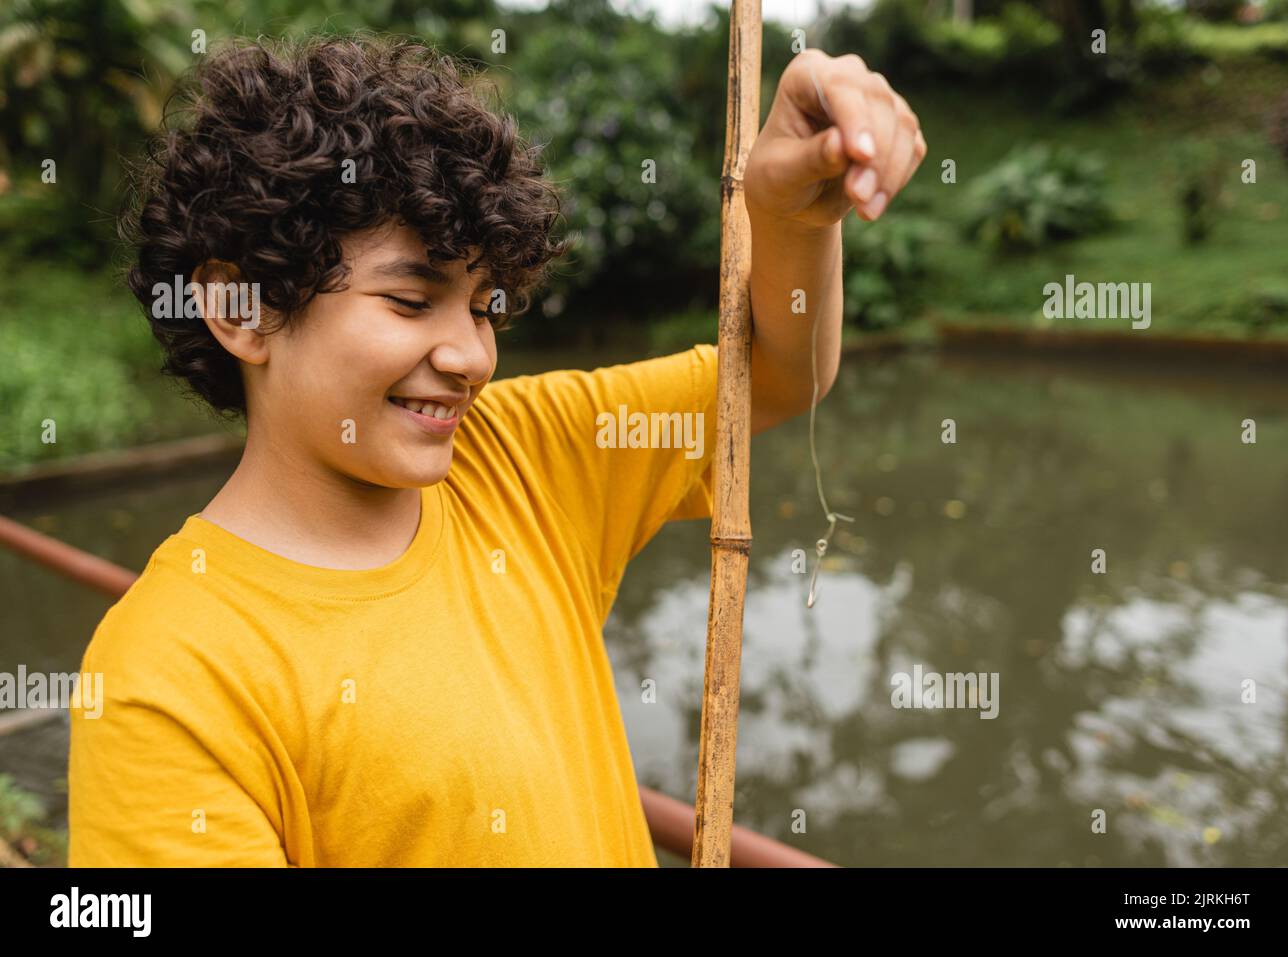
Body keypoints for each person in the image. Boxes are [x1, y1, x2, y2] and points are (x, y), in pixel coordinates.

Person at [68, 34, 925, 866]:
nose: (472, 357)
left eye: (482, 306)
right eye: (411, 301)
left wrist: (789, 217)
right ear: (243, 310)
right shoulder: (164, 675)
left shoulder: (523, 454)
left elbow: (775, 375)